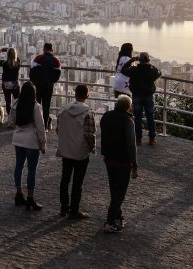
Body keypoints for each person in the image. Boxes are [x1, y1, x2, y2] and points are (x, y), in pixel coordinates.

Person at [57, 84, 96, 219]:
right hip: (80, 152)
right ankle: (74, 209)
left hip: (66, 150)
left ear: (75, 94)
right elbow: (89, 134)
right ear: (87, 95)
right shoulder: (88, 113)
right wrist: (92, 148)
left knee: (64, 179)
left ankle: (63, 207)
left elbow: (58, 129)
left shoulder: (63, 109)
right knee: (77, 182)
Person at [100, 94, 139, 233]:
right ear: (129, 107)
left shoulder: (106, 116)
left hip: (109, 159)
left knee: (114, 188)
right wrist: (134, 165)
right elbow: (131, 145)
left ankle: (118, 216)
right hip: (123, 161)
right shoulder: (128, 121)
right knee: (120, 192)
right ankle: (110, 221)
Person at [12, 81, 46, 211]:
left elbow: (11, 121)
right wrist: (43, 144)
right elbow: (40, 127)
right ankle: (30, 198)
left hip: (18, 138)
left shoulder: (16, 104)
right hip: (31, 141)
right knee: (31, 169)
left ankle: (19, 194)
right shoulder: (36, 106)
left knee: (18, 166)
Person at [121, 52, 161, 146]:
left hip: (136, 95)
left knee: (137, 118)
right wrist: (150, 65)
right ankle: (152, 139)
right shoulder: (152, 71)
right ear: (148, 60)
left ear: (139, 60)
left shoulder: (134, 70)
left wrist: (131, 60)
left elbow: (123, 70)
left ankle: (138, 139)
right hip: (148, 96)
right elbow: (159, 73)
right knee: (150, 118)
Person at [30, 42, 61, 129]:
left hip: (38, 86)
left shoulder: (38, 58)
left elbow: (31, 73)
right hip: (49, 86)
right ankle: (45, 126)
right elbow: (58, 74)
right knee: (46, 106)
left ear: (44, 49)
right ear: (52, 50)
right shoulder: (56, 60)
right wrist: (51, 82)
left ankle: (36, 124)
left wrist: (35, 82)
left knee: (37, 105)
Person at [0, 47, 21, 115]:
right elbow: (18, 59)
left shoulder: (4, 63)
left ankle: (10, 117)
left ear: (7, 55)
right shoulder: (17, 64)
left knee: (8, 102)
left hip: (6, 84)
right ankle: (16, 116)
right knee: (17, 101)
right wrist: (13, 52)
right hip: (15, 84)